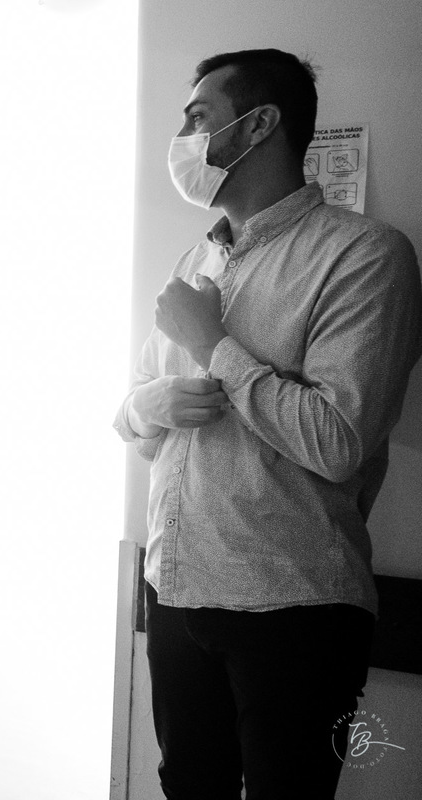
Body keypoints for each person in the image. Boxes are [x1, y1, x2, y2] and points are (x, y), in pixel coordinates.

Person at [115, 49, 422, 799]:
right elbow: (133, 414)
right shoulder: (196, 260)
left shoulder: (364, 254)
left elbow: (339, 441)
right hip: (177, 587)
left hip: (295, 607)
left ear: (259, 125)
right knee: (189, 787)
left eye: (198, 118)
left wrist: (213, 346)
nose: (181, 138)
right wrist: (144, 407)